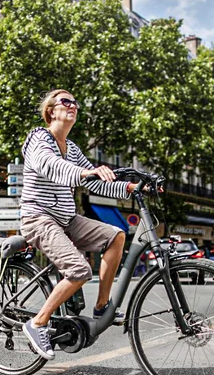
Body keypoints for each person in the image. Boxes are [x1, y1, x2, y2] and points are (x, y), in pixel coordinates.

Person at [18, 89, 141, 360]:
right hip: (39, 217)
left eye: (76, 103)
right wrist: (86, 171)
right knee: (79, 270)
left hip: (67, 218)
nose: (73, 105)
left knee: (116, 236)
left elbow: (93, 180)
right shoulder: (39, 139)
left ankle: (101, 306)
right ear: (51, 111)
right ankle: (37, 322)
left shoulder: (72, 148)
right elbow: (50, 166)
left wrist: (131, 188)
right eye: (66, 101)